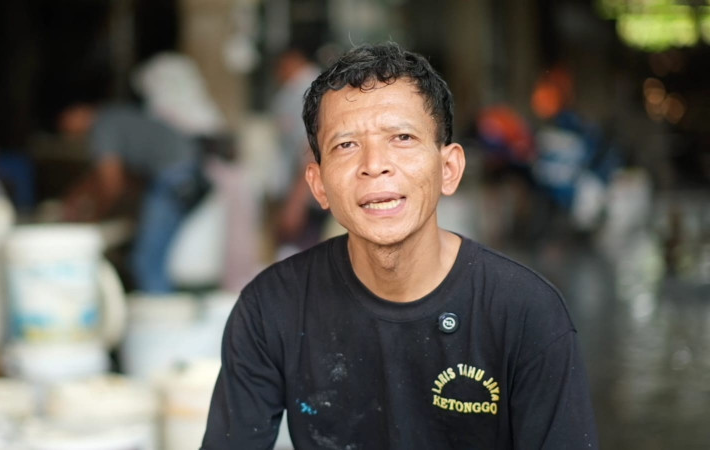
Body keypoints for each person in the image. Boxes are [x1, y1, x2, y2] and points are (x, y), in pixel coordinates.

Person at [201, 42, 598, 449]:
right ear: (318, 186)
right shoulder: (271, 308)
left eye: (402, 137)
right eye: (346, 145)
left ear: (449, 169)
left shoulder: (525, 312)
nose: (375, 165)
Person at [58, 102, 210, 293]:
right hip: (188, 171)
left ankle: (158, 307)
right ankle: (161, 299)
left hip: (173, 177)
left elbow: (112, 183)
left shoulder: (102, 127)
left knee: (146, 260)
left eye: (67, 126)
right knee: (154, 257)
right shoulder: (116, 117)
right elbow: (107, 178)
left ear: (80, 111)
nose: (71, 135)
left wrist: (93, 219)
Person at [268, 47, 329, 258]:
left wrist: (296, 203)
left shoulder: (304, 91)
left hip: (307, 196)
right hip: (305, 192)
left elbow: (310, 150)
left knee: (299, 260)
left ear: (292, 59)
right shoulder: (306, 88)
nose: (277, 73)